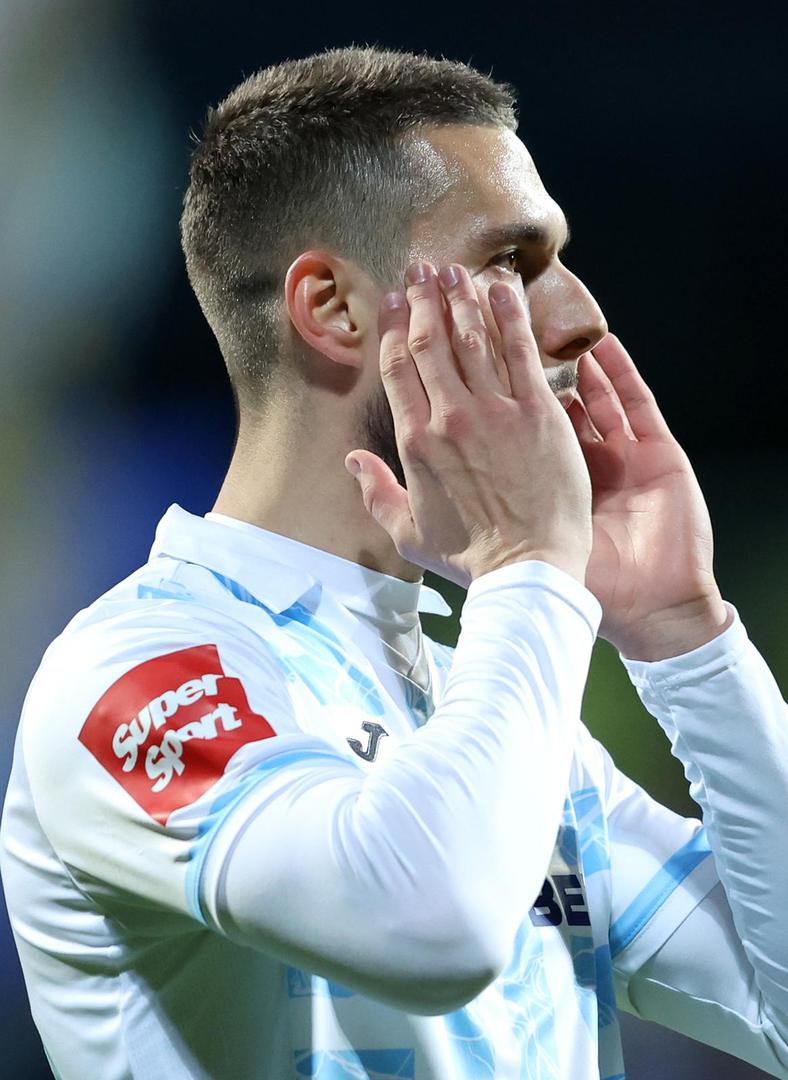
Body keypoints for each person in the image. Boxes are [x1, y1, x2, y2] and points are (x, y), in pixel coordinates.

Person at [1, 45, 786, 1080]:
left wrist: (686, 636)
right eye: (510, 264)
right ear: (331, 307)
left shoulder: (490, 700)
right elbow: (432, 928)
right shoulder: (134, 672)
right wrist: (527, 564)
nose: (580, 317)